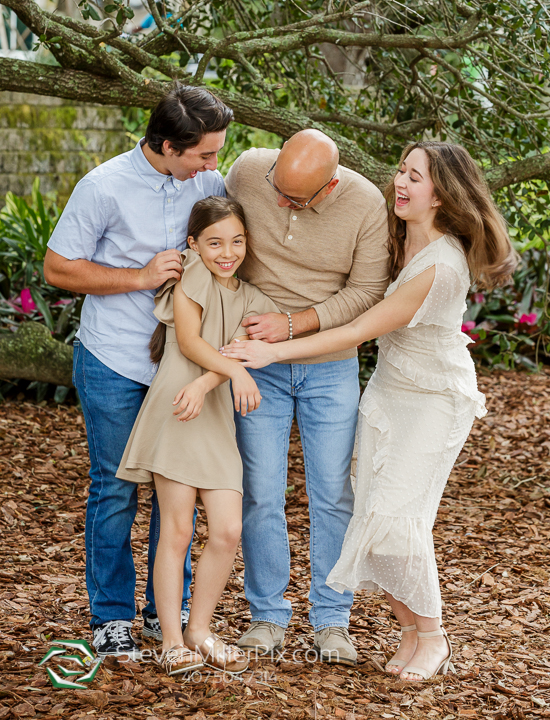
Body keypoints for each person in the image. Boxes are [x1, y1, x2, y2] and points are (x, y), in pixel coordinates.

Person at [222, 141, 517, 680]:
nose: (401, 182)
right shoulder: (400, 232)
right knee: (370, 512)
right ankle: (406, 633)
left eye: (417, 177)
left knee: (397, 518)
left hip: (429, 398)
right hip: (388, 389)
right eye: (402, 170)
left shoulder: (440, 263)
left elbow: (361, 325)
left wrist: (276, 345)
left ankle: (427, 635)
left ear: (444, 193)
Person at [44, 84, 233, 658]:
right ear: (168, 145)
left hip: (181, 366)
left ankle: (162, 613)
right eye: (203, 154)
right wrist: (139, 276)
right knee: (118, 487)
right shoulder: (103, 187)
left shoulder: (208, 183)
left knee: (177, 498)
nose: (213, 166)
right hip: (115, 359)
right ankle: (111, 618)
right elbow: (57, 268)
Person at [224, 129, 390, 665]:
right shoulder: (250, 169)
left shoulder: (366, 204)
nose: (277, 202)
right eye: (278, 187)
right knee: (261, 492)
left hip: (328, 367)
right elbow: (216, 242)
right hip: (255, 365)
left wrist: (293, 324)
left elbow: (367, 293)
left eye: (294, 199)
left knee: (333, 494)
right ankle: (267, 616)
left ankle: (332, 619)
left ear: (329, 187)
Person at [116, 197, 279, 675]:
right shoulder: (192, 275)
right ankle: (171, 639)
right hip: (178, 409)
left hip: (211, 412)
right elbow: (190, 342)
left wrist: (217, 378)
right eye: (214, 242)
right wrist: (232, 371)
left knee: (228, 530)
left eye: (236, 241)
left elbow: (245, 349)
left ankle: (199, 630)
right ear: (193, 244)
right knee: (179, 529)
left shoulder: (250, 296)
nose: (226, 252)